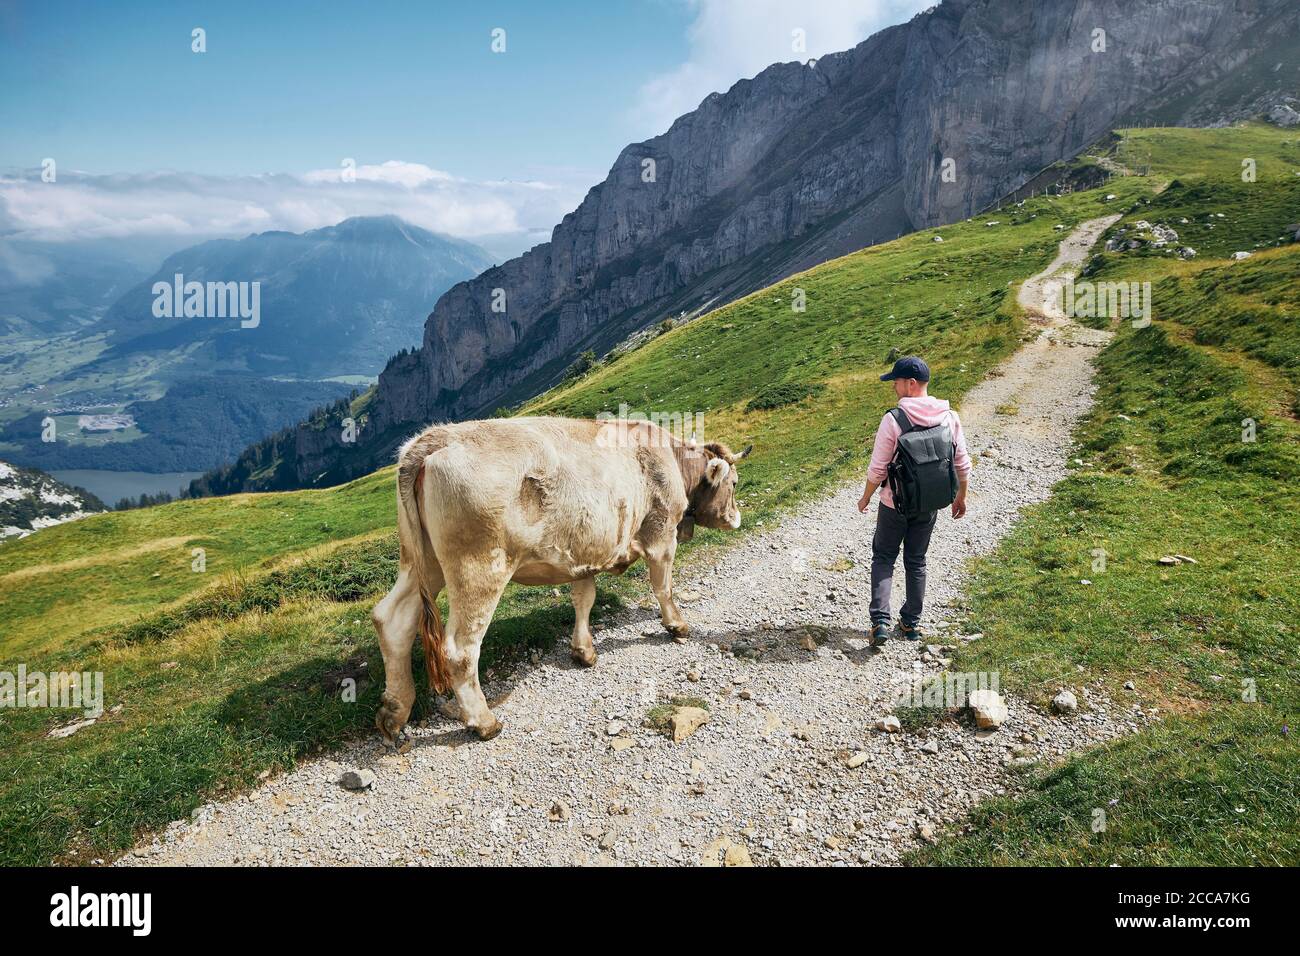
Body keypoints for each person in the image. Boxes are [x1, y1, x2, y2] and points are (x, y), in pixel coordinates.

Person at [856, 356, 971, 646]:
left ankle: (880, 623)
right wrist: (961, 496)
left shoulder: (894, 420)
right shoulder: (950, 417)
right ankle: (910, 624)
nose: (893, 386)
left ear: (910, 384)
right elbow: (962, 463)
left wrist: (866, 496)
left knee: (883, 556)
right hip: (929, 504)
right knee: (916, 560)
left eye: (895, 381)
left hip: (894, 504)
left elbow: (878, 468)